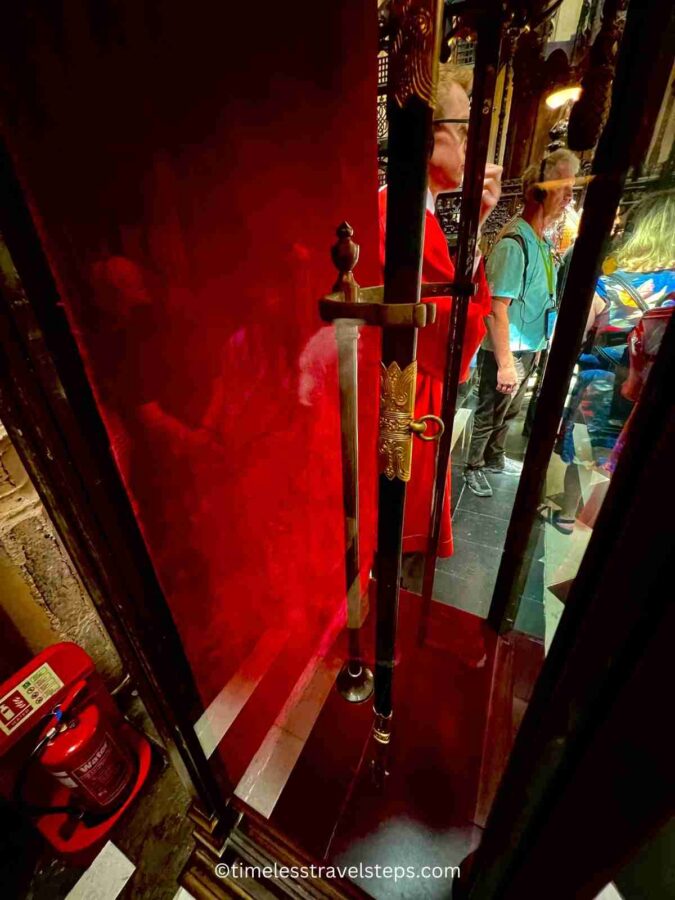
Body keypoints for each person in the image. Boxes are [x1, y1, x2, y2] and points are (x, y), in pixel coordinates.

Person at [378, 64, 502, 558]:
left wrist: (477, 221)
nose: (474, 147)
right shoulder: (403, 215)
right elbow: (455, 322)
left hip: (407, 385)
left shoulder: (415, 211)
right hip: (401, 390)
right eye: (465, 129)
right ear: (430, 138)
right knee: (389, 523)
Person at [550, 190, 675, 533]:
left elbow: (569, 335)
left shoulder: (611, 283)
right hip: (651, 393)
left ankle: (567, 514)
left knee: (585, 449)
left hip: (604, 378)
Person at [464, 148, 580, 497]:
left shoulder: (540, 241)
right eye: (563, 186)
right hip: (506, 348)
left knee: (510, 410)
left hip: (527, 345)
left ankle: (495, 458)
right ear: (539, 190)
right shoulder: (515, 243)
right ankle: (473, 467)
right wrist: (504, 365)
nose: (570, 196)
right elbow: (495, 309)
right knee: (489, 411)